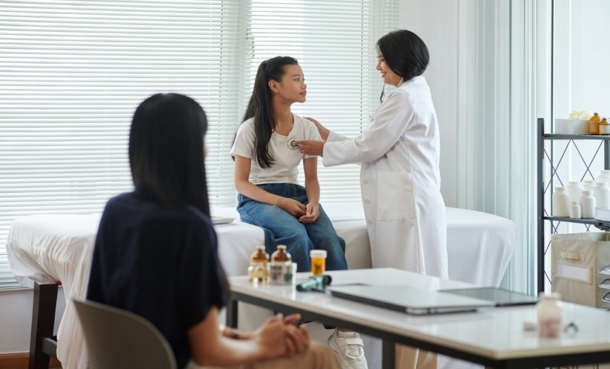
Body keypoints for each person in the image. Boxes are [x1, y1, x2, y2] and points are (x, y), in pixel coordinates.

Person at [86, 93, 340, 369]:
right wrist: (264, 344)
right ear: (190, 148)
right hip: (184, 362)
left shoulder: (116, 210)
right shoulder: (189, 227)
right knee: (317, 355)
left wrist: (253, 337)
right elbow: (209, 354)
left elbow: (173, 327)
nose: (206, 150)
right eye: (202, 139)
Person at [295, 30, 448, 369]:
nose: (378, 66)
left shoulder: (405, 97)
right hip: (408, 204)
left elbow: (370, 147)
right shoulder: (411, 94)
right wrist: (327, 135)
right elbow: (375, 142)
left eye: (382, 59)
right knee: (415, 302)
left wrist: (321, 148)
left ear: (399, 60)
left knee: (411, 301)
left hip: (410, 208)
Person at [230, 56, 368, 369]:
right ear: (274, 86)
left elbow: (312, 180)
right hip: (258, 199)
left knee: (330, 242)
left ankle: (346, 333)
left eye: (302, 78)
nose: (303, 84)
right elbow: (241, 183)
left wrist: (314, 202)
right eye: (296, 78)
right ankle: (298, 320)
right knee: (294, 235)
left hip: (299, 195)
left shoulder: (305, 126)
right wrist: (280, 203)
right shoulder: (250, 129)